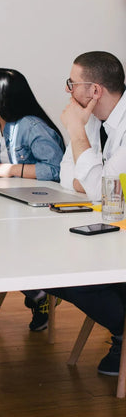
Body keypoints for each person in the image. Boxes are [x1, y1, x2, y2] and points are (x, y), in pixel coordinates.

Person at [47, 51, 126, 379]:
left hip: (118, 228)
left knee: (76, 279)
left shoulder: (87, 123)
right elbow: (69, 175)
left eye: (72, 84)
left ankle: (122, 335)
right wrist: (92, 177)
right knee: (54, 274)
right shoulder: (94, 119)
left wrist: (77, 132)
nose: (68, 91)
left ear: (95, 90)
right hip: (113, 223)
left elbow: (100, 188)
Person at [0, 68, 66, 331]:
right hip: (13, 202)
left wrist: (9, 169)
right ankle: (36, 293)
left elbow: (57, 170)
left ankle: (39, 294)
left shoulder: (32, 127)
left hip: (40, 212)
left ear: (2, 99)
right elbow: (6, 163)